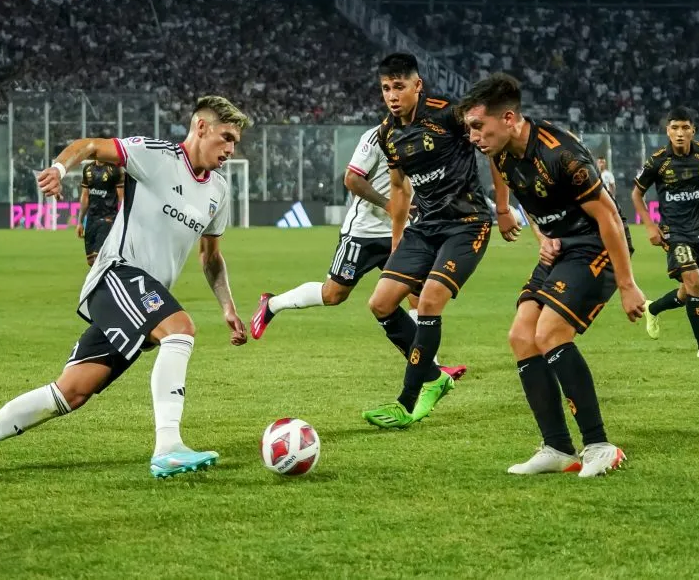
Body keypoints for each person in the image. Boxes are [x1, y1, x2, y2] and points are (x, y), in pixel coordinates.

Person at [0, 96, 251, 479]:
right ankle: (168, 447)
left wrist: (228, 307)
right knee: (180, 330)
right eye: (227, 137)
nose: (231, 149)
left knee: (72, 391)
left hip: (140, 299)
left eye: (236, 142)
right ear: (201, 127)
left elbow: (210, 257)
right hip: (116, 274)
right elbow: (89, 146)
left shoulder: (217, 190)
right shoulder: (156, 155)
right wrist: (58, 167)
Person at [463, 73, 645, 477]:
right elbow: (522, 192)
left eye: (478, 126)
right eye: (470, 128)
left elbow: (610, 218)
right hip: (562, 247)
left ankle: (599, 445)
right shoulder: (501, 152)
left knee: (550, 333)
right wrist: (536, 230)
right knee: (521, 337)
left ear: (509, 118)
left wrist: (628, 283)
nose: (473, 136)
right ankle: (558, 447)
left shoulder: (563, 155)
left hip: (597, 244)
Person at [248, 124, 467, 379]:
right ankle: (273, 303)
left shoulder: (424, 134)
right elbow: (351, 179)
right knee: (334, 294)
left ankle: (433, 368)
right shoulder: (375, 137)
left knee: (417, 294)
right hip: (363, 232)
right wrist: (389, 205)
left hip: (401, 231)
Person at [360, 53, 494, 429]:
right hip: (424, 226)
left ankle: (408, 399)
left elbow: (491, 146)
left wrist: (502, 206)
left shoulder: (448, 114)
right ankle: (435, 377)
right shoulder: (387, 134)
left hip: (466, 222)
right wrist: (398, 238)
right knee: (381, 302)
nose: (392, 95)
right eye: (386, 87)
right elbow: (400, 189)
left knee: (431, 300)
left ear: (417, 85)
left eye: (399, 86)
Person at [631, 106, 699, 359]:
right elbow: (636, 194)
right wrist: (650, 226)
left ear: (693, 130)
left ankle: (653, 308)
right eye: (675, 128)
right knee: (694, 282)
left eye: (685, 127)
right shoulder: (658, 161)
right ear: (668, 131)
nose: (680, 133)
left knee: (687, 292)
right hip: (674, 233)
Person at [77, 159, 124, 266]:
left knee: (99, 257)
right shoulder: (88, 169)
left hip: (108, 217)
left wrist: (122, 220)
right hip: (91, 218)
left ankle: (102, 282)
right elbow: (85, 196)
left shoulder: (114, 170)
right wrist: (80, 222)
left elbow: (122, 198)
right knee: (91, 261)